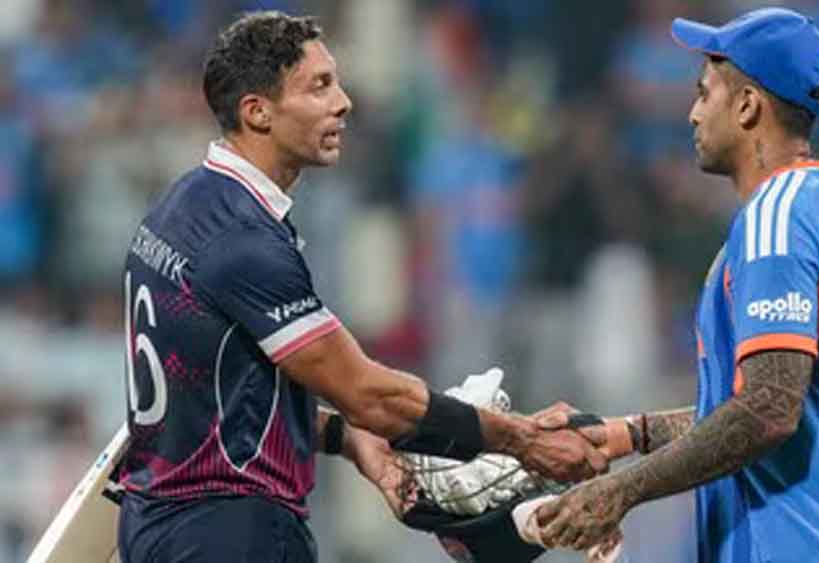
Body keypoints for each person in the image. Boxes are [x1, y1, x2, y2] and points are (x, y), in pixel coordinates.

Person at [114, 11, 607, 563]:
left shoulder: (180, 208)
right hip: (232, 531)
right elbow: (367, 393)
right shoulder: (244, 240)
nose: (343, 103)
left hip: (158, 523)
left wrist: (349, 439)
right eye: (319, 87)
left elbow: (226, 401)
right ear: (258, 112)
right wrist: (520, 439)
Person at [534, 8, 819, 562]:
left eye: (705, 94)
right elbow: (774, 401)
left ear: (747, 105)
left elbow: (768, 410)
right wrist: (631, 434)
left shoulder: (776, 221)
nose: (693, 114)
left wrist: (620, 492)